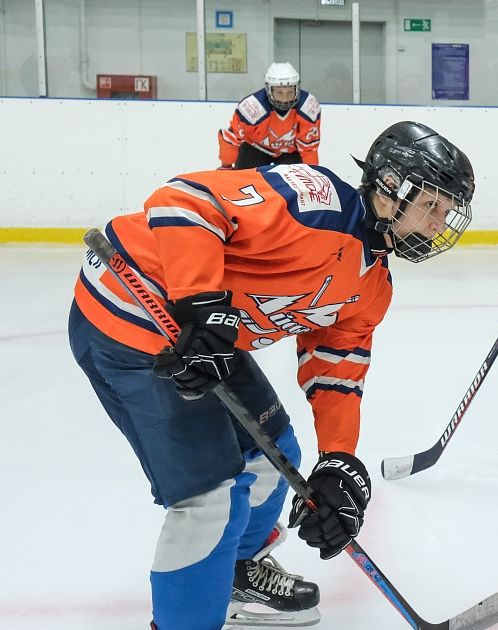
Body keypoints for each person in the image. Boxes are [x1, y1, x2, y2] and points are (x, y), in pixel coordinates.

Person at [69, 121, 474, 629]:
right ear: (390, 188)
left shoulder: (373, 285)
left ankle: (236, 570)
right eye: (431, 205)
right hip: (132, 317)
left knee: (274, 452)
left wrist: (339, 462)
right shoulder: (315, 200)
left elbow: (337, 371)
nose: (438, 224)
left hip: (206, 336)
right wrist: (201, 304)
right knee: (210, 499)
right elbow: (181, 201)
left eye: (445, 211)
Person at [218, 62, 321, 170]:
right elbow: (232, 138)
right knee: (245, 175)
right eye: (279, 93)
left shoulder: (308, 107)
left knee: (296, 179)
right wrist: (226, 166)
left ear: (297, 89)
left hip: (290, 153)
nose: (285, 98)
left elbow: (309, 148)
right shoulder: (252, 108)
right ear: (269, 90)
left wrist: (312, 173)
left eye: (289, 92)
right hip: (256, 149)